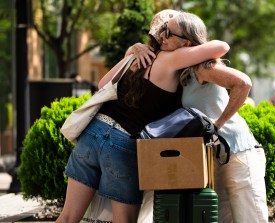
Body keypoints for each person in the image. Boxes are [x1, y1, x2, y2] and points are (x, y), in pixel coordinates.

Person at [56, 10, 229, 223]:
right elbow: (222, 46)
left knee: (68, 218)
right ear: (188, 42)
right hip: (122, 143)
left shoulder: (137, 55)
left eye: (169, 32)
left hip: (92, 133)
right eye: (164, 31)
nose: (164, 36)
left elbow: (103, 85)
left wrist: (132, 50)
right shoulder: (171, 58)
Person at [129, 12, 268, 223]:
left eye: (168, 32)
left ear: (188, 42)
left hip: (238, 152)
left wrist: (218, 123)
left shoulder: (203, 67)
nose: (162, 37)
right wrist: (135, 47)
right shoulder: (180, 71)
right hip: (213, 157)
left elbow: (244, 83)